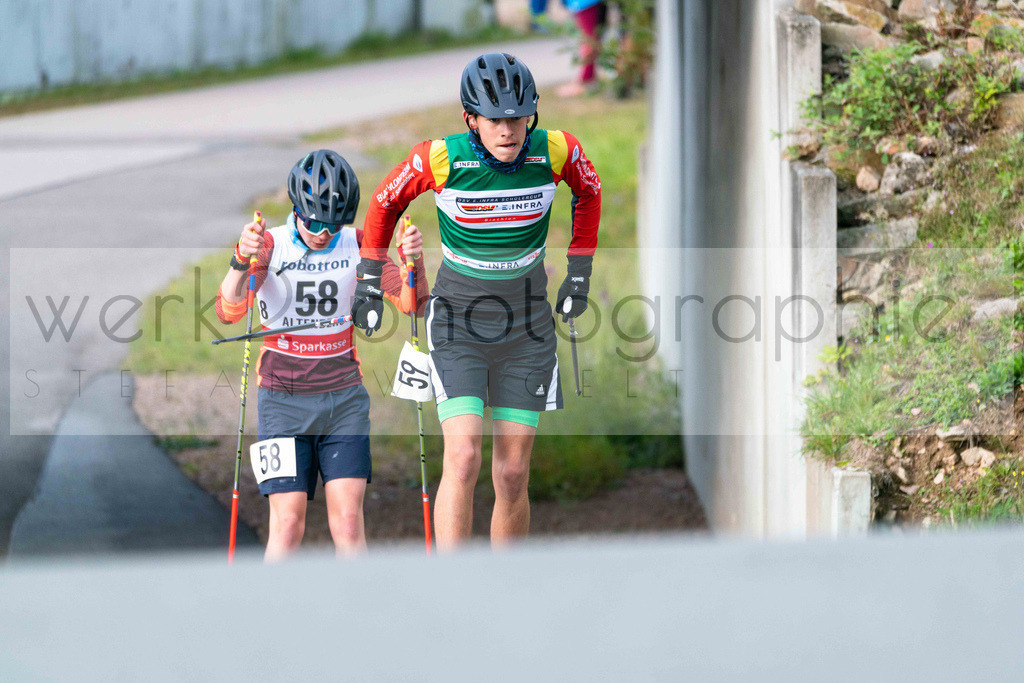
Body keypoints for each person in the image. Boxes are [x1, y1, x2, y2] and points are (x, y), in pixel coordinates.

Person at [352, 53, 601, 549]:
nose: (508, 131)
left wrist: (579, 272)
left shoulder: (555, 151)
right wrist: (368, 279)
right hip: (459, 322)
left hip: (527, 327)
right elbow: (384, 202)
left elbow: (589, 192)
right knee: (463, 458)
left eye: (517, 118)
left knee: (511, 473)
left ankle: (501, 591)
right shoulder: (440, 158)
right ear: (471, 118)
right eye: (495, 120)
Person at [216, 149, 428, 560]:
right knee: (288, 522)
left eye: (333, 224)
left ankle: (359, 616)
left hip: (343, 400)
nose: (322, 232)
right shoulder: (271, 244)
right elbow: (228, 309)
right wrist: (242, 259)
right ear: (296, 208)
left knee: (348, 522)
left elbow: (411, 303)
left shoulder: (360, 243)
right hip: (281, 400)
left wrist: (411, 263)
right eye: (313, 221)